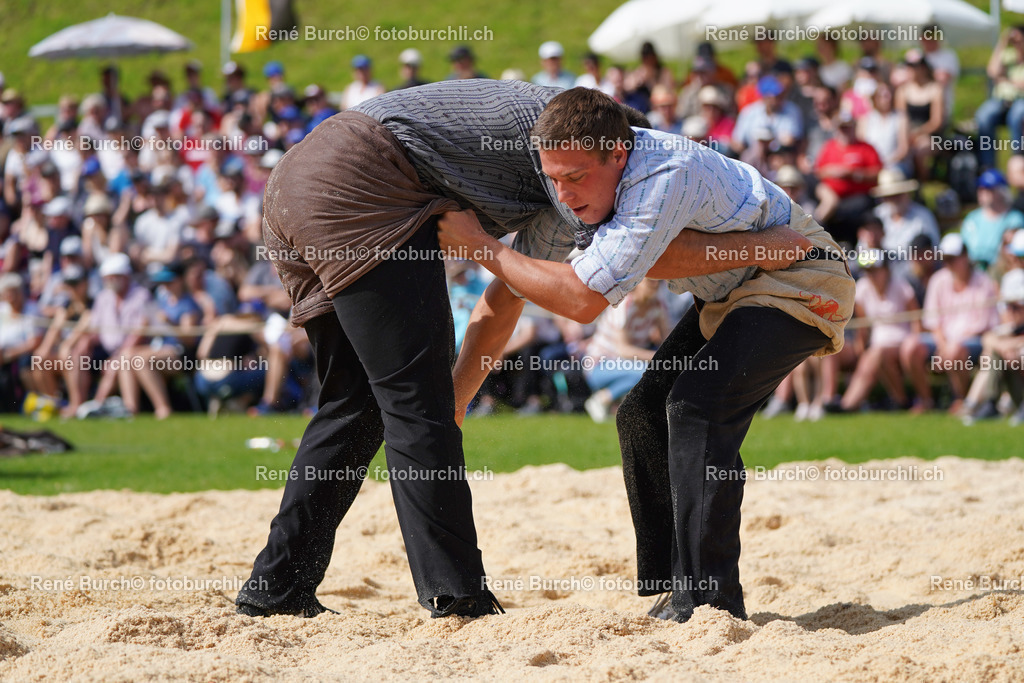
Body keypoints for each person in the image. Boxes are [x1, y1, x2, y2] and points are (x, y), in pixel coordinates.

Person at [238, 79, 813, 620]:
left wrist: (456, 402)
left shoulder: (557, 168)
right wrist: (443, 395)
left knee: (355, 402)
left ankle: (278, 586)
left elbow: (503, 302)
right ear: (618, 149)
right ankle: (458, 599)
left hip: (295, 180)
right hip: (361, 180)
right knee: (414, 403)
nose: (573, 189)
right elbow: (577, 298)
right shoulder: (582, 170)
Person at [437, 87, 855, 623]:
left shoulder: (662, 175)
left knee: (698, 407)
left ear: (619, 153)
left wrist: (483, 247)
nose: (563, 194)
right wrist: (456, 402)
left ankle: (707, 601)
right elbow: (511, 293)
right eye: (554, 178)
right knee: (641, 414)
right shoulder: (584, 188)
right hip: (734, 289)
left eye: (576, 177)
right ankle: (675, 585)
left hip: (800, 278)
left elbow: (582, 300)